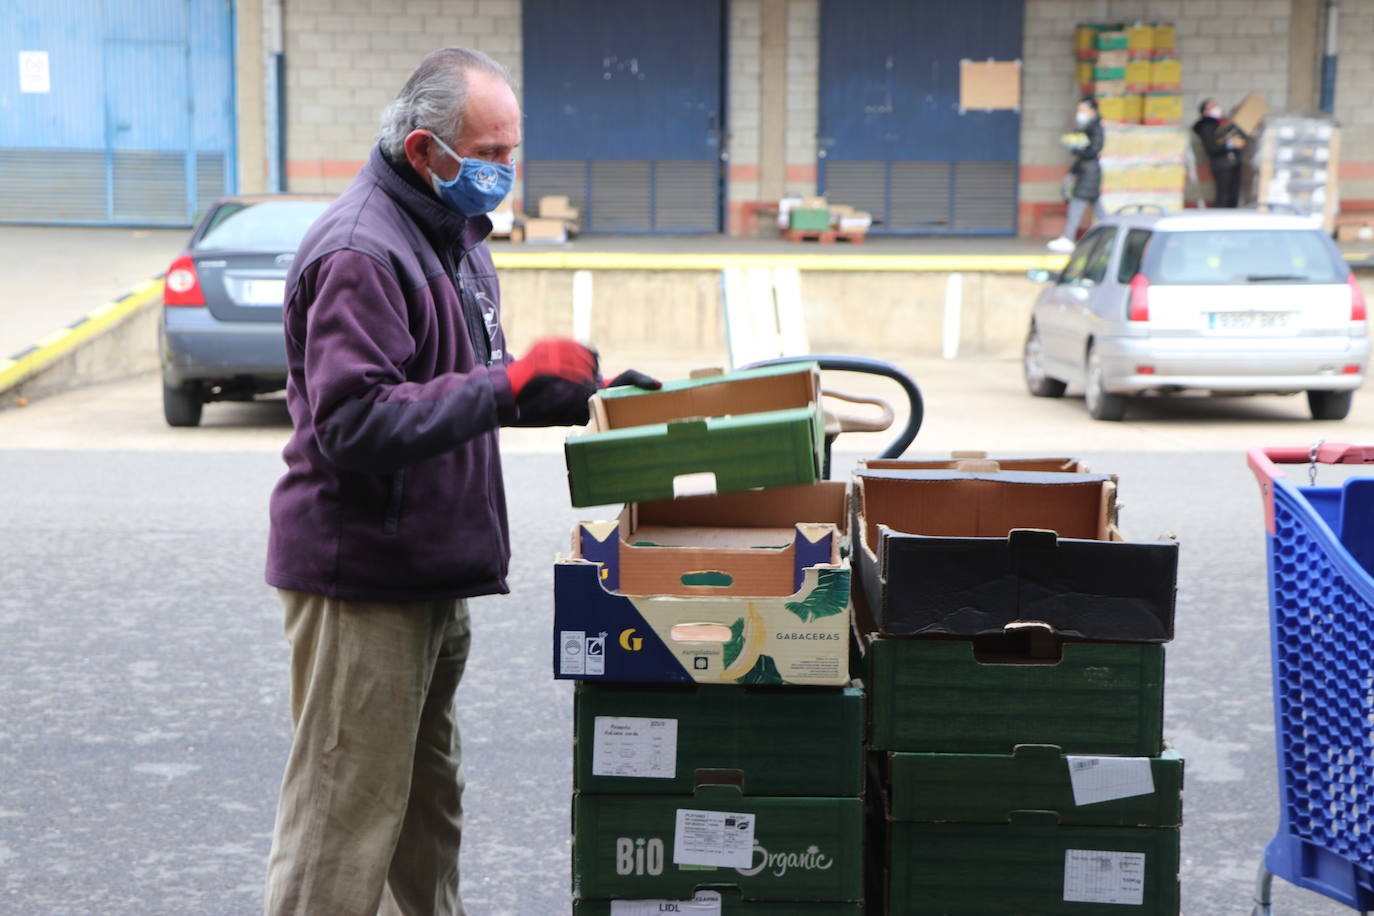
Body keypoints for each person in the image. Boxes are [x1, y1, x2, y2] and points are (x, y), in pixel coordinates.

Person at [261, 47, 656, 916]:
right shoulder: (363, 250)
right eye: (492, 153)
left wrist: (575, 394)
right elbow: (355, 423)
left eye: (513, 151)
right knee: (343, 818)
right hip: (362, 581)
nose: (506, 173)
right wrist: (505, 384)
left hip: (430, 571)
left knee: (425, 811)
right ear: (424, 153)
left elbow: (465, 385)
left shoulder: (452, 239)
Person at [1047, 98, 1106, 253]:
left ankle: (1068, 237)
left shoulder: (1096, 128)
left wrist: (1078, 148)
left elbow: (1093, 150)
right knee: (1098, 209)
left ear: (1092, 110)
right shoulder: (1085, 126)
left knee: (1077, 204)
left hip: (1089, 174)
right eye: (1079, 110)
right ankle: (1112, 231)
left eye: (1083, 110)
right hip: (1085, 172)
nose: (1080, 113)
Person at [1193, 97, 1245, 208]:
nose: (1217, 108)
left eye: (1216, 105)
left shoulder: (1222, 123)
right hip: (1222, 164)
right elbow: (1211, 148)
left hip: (1233, 162)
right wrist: (1230, 144)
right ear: (1205, 112)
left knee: (1233, 195)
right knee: (1223, 195)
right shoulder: (1206, 126)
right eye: (1213, 106)